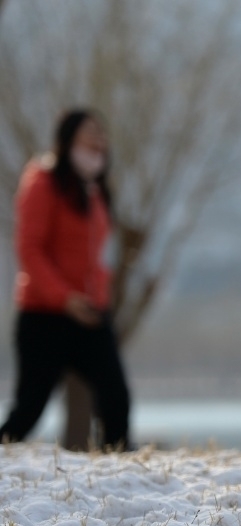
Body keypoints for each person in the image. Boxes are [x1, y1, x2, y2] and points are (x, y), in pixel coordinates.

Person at [0, 109, 131, 451]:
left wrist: (99, 297)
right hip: (45, 314)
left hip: (89, 313)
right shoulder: (42, 182)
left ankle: (119, 471)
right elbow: (29, 249)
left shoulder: (94, 190)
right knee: (29, 409)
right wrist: (64, 297)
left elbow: (99, 255)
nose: (98, 139)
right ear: (67, 137)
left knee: (115, 397)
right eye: (90, 131)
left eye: (102, 133)